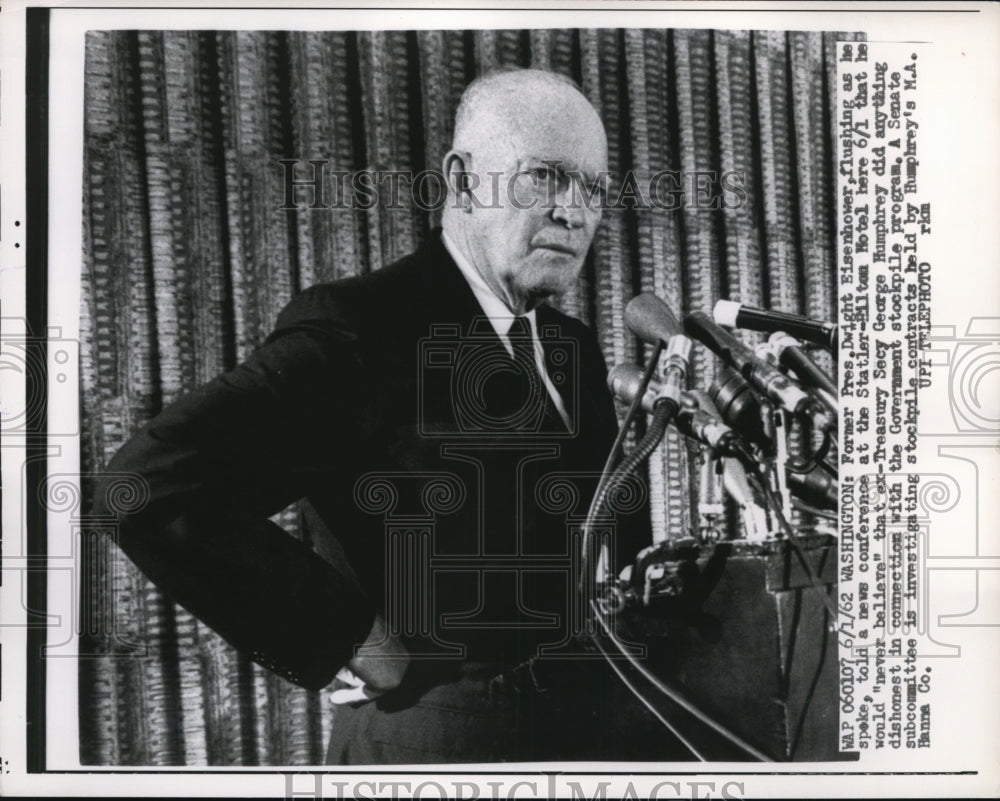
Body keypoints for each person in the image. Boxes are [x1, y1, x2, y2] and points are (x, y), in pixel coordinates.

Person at [95, 68, 666, 764]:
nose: (574, 211)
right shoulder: (362, 329)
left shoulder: (570, 346)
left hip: (588, 737)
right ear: (462, 181)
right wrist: (352, 637)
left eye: (595, 188)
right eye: (544, 176)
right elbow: (147, 485)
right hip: (433, 742)